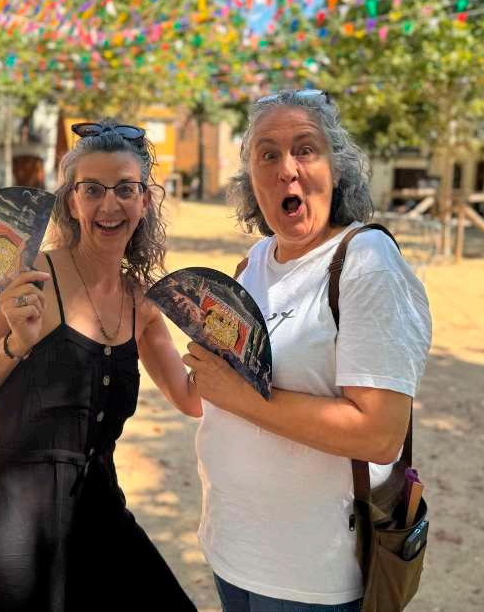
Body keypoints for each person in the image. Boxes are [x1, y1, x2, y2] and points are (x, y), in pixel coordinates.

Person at [183, 90, 432, 611]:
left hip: (311, 578)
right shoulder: (254, 262)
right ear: (251, 180)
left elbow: (379, 434)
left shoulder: (367, 261)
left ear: (336, 170)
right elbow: (207, 395)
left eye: (305, 149)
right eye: (267, 154)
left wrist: (241, 396)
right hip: (233, 550)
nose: (286, 169)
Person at [0, 121, 201, 611]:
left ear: (145, 200)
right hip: (6, 521)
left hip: (96, 512)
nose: (109, 205)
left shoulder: (141, 304)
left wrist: (229, 342)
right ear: (72, 201)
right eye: (93, 189)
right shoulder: (36, 277)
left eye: (125, 189)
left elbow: (191, 399)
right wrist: (14, 345)